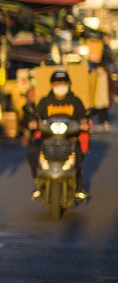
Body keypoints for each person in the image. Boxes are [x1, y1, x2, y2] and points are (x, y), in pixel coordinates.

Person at [25, 68, 89, 201]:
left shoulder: (75, 101)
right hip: (47, 138)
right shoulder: (45, 101)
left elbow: (83, 117)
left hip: (69, 138)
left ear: (68, 84)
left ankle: (78, 186)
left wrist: (84, 123)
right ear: (52, 85)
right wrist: (32, 122)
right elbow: (36, 116)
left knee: (77, 155)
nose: (60, 86)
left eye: (63, 83)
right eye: (57, 83)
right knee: (31, 151)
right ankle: (38, 179)